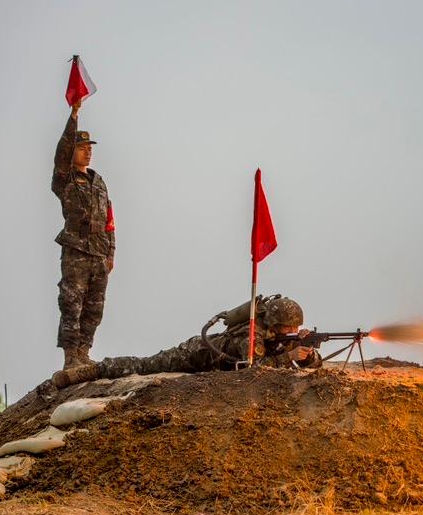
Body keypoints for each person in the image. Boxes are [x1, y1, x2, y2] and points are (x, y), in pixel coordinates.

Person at [51, 296, 321, 388]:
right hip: (197, 354)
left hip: (210, 364)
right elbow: (255, 369)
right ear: (275, 323)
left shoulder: (278, 336)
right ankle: (96, 370)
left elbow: (310, 364)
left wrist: (308, 355)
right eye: (290, 327)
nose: (293, 330)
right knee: (146, 365)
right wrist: (290, 356)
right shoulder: (253, 335)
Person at [52, 99, 115, 369]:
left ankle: (83, 353)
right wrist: (74, 114)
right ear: (72, 152)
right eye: (82, 148)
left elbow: (109, 220)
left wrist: (110, 253)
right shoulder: (64, 179)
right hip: (76, 252)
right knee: (71, 305)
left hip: (99, 254)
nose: (87, 153)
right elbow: (62, 149)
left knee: (94, 307)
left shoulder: (98, 181)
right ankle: (70, 358)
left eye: (89, 149)